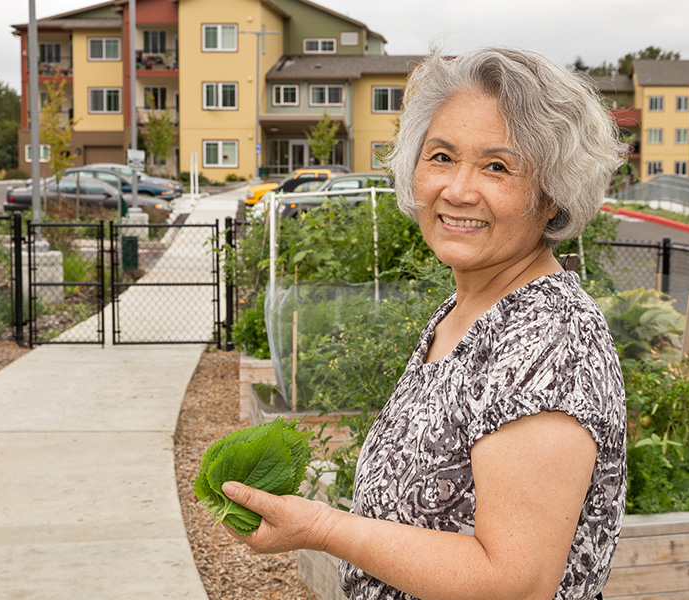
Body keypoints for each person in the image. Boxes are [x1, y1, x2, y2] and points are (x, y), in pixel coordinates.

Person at [221, 47, 627, 600]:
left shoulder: (549, 340)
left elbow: (513, 581)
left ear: (553, 196)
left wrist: (321, 527)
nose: (457, 190)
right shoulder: (467, 312)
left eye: (497, 166)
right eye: (441, 156)